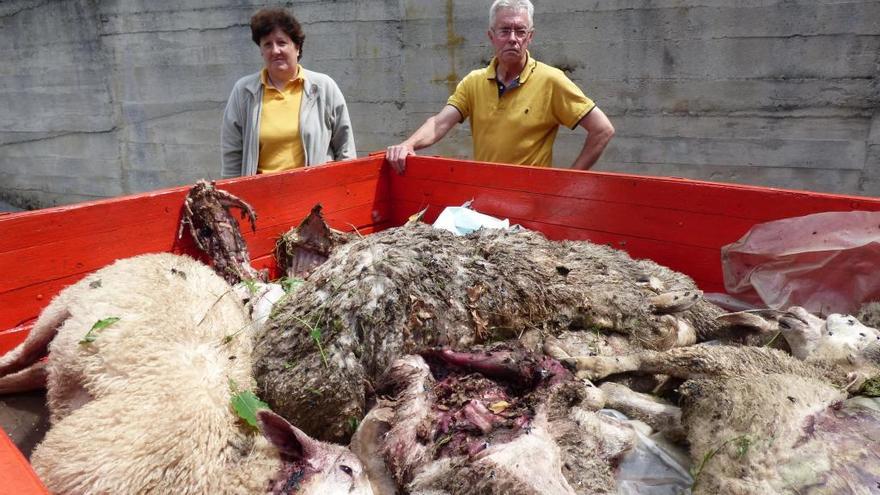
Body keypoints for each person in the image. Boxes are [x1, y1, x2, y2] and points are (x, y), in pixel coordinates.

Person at [386, 0, 614, 173]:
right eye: (505, 31)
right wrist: (408, 144)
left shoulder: (551, 81)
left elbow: (602, 129)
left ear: (530, 37)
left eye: (520, 31)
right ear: (491, 36)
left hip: (531, 200)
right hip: (486, 194)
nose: (513, 38)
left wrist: (569, 180)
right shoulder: (474, 82)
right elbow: (439, 123)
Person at [221, 8, 356, 178]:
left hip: (317, 193)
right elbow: (232, 155)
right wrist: (233, 197)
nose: (275, 50)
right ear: (261, 50)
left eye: (282, 43)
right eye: (267, 44)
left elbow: (346, 149)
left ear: (297, 47)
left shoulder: (323, 87)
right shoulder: (244, 92)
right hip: (261, 197)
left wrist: (344, 188)